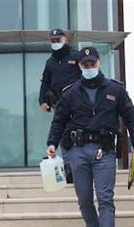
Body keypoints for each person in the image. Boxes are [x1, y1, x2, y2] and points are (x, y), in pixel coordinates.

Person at [46, 47, 134, 227]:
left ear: (99, 63)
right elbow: (59, 120)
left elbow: (131, 116)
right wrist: (52, 143)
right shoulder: (70, 92)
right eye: (85, 65)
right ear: (80, 66)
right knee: (84, 198)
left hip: (104, 151)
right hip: (77, 151)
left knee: (105, 199)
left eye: (92, 64)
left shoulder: (115, 90)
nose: (89, 68)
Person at [39, 28, 81, 183]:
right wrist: (42, 100)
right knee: (63, 137)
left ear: (66, 40)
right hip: (59, 104)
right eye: (53, 41)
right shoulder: (50, 62)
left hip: (78, 105)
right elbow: (45, 82)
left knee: (77, 135)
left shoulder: (76, 56)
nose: (56, 43)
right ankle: (69, 169)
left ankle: (79, 167)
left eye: (59, 40)